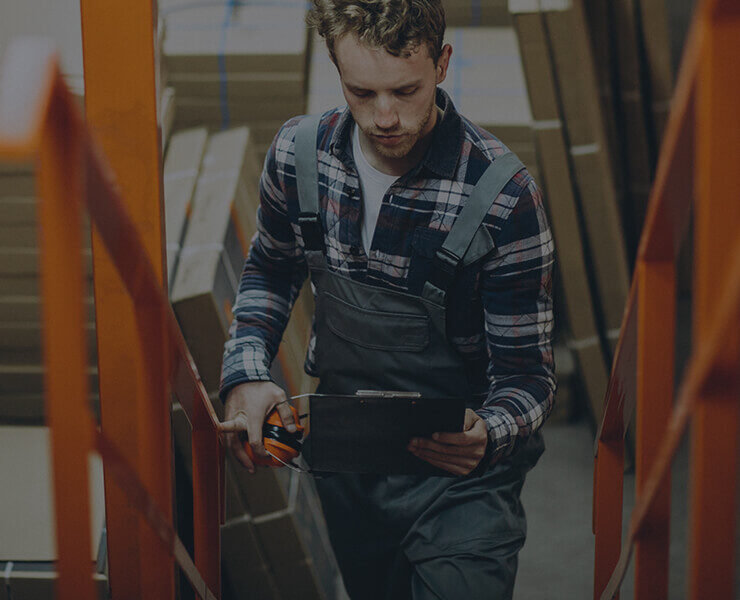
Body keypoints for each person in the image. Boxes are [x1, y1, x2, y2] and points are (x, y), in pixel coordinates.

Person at [218, 0, 556, 596]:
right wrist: (246, 372)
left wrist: (492, 433)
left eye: (406, 90)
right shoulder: (299, 159)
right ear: (335, 67)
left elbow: (527, 378)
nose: (385, 116)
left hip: (462, 478)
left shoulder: (502, 197)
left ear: (442, 64)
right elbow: (270, 270)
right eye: (362, 92)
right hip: (349, 457)